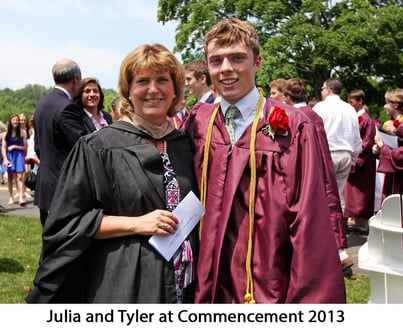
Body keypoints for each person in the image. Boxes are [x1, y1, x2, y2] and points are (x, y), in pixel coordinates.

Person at [184, 18, 345, 303]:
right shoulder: (199, 121)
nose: (226, 69)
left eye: (237, 58)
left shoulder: (293, 126)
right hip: (205, 280)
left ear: (257, 62)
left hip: (264, 281)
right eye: (216, 60)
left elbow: (309, 220)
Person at [26, 43, 199, 303]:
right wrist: (136, 223)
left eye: (163, 80)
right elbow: (66, 223)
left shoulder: (186, 144)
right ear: (128, 90)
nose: (153, 89)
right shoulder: (98, 147)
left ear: (175, 89)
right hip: (127, 284)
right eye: (142, 81)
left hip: (186, 285)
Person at [284, 78, 351, 271]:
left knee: (317, 205)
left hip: (314, 162)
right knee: (335, 200)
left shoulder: (301, 115)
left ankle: (331, 251)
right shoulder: (316, 113)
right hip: (337, 156)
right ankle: (338, 250)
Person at [33, 59, 88, 227]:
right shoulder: (67, 108)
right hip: (63, 189)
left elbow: (38, 146)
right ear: (75, 79)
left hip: (46, 185)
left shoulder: (42, 104)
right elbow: (83, 147)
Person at [313, 79, 362, 216]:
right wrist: (353, 159)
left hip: (327, 153)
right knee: (338, 194)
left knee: (323, 193)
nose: (322, 91)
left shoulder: (320, 107)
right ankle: (339, 226)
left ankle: (325, 227)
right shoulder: (349, 109)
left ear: (328, 90)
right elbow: (356, 137)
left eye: (323, 89)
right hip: (345, 154)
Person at [344, 89, 376, 235]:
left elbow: (367, 142)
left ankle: (362, 225)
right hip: (353, 158)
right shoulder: (354, 117)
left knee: (362, 194)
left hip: (363, 162)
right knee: (351, 194)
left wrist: (355, 157)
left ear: (360, 101)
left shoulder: (367, 120)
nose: (350, 105)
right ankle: (356, 223)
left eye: (352, 102)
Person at [372, 88, 403, 200]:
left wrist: (382, 146)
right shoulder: (398, 124)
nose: (384, 106)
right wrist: (379, 151)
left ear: (395, 105)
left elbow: (400, 155)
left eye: (387, 103)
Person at [1, 114, 27, 206]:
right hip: (9, 157)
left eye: (16, 120)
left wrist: (14, 146)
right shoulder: (6, 133)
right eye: (13, 120)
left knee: (20, 177)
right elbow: (3, 148)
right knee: (10, 177)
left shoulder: (22, 132)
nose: (15, 122)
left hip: (19, 156)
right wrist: (5, 159)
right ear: (10, 122)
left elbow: (25, 147)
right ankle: (11, 197)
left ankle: (20, 197)